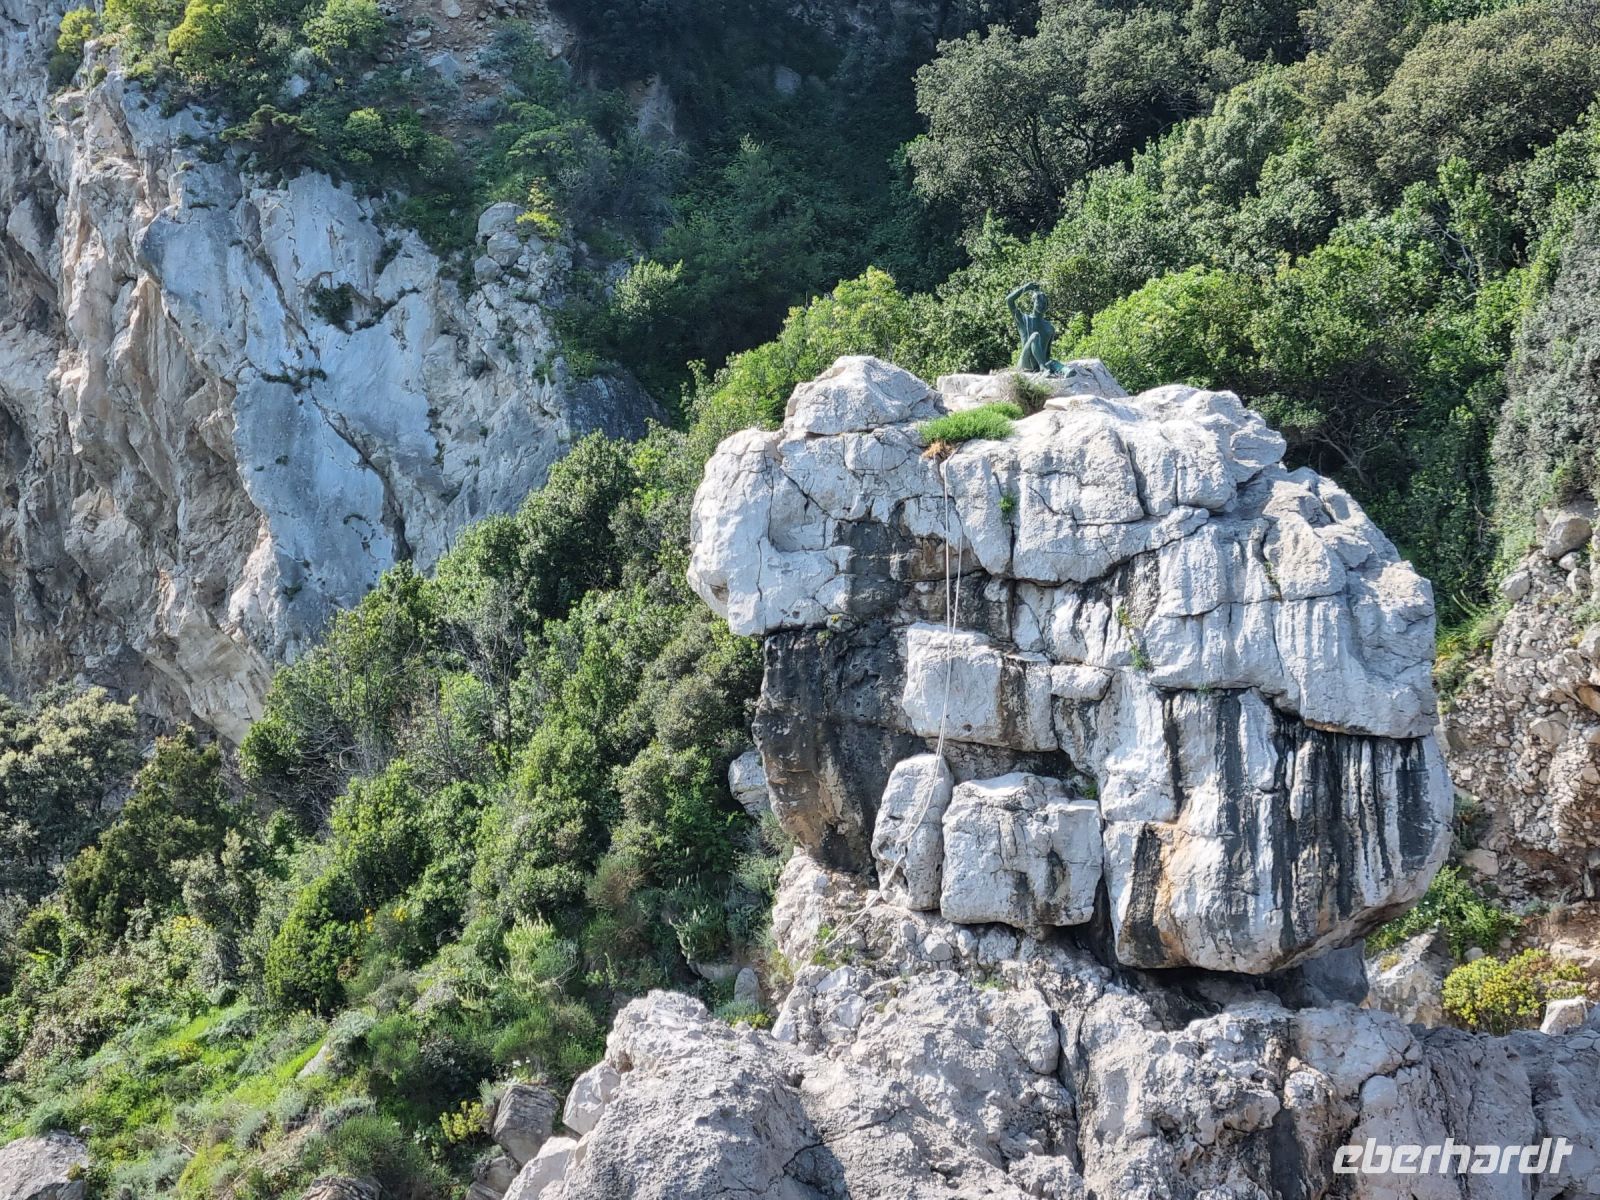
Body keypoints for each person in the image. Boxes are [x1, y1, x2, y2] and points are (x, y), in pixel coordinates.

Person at [1006, 281, 1066, 375]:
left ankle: (1049, 368)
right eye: (1040, 301)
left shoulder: (1049, 327)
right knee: (1035, 336)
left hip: (1038, 366)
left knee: (1056, 364)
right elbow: (1009, 300)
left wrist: (1050, 363)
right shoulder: (1024, 319)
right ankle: (1043, 368)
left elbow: (1047, 353)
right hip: (1026, 364)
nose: (1042, 305)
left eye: (1045, 303)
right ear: (1033, 302)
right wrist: (1026, 287)